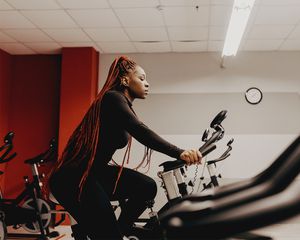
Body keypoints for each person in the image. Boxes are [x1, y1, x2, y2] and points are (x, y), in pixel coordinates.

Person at [48, 56, 202, 240]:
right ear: (125, 80)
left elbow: (138, 129)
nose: (147, 84)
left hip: (94, 174)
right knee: (107, 235)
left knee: (146, 186)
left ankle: (120, 230)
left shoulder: (121, 103)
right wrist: (180, 152)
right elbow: (140, 131)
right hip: (73, 178)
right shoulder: (112, 98)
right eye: (142, 78)